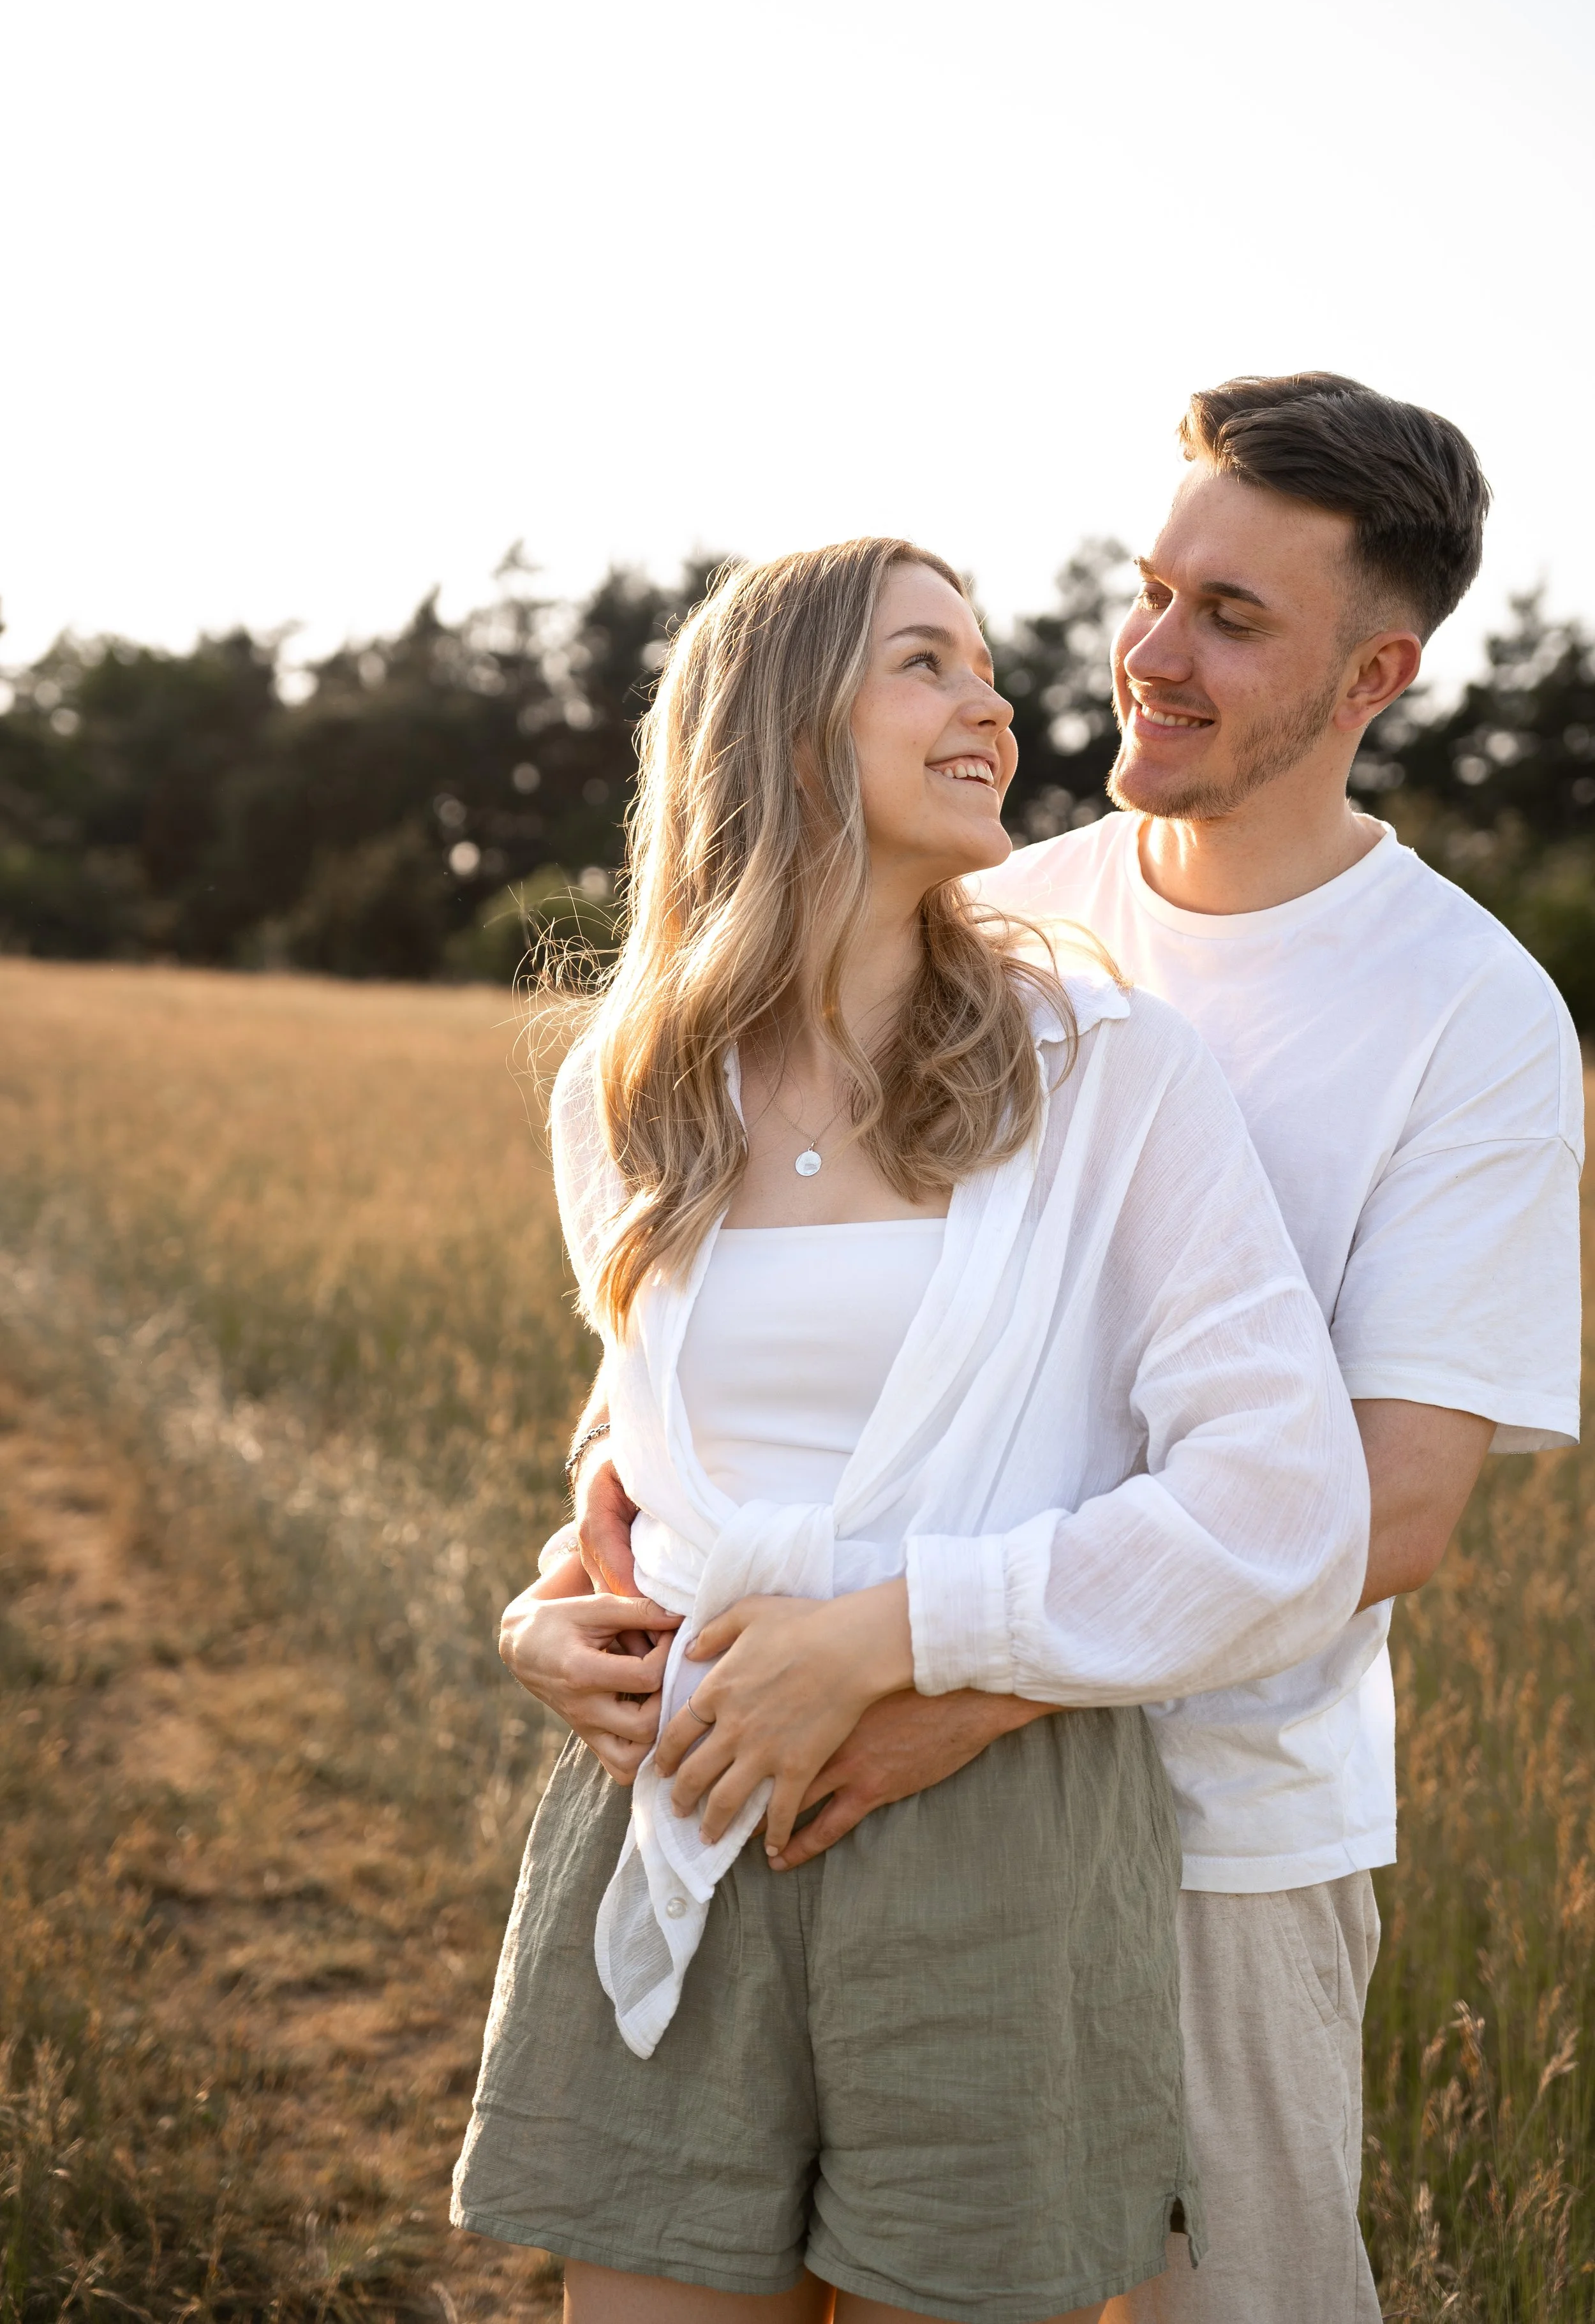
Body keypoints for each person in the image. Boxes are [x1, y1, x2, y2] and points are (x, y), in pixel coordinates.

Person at [547, 378, 1584, 2323]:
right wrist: (573, 1582)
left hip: (1217, 1829)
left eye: (1230, 619)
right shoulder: (999, 921)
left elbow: (1384, 1508)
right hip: (846, 1776)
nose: (1147, 654)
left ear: (1374, 673)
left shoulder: (1469, 1011)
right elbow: (747, 1346)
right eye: (1150, 587)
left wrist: (958, 1685)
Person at [458, 535, 1370, 2324]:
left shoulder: (1104, 1068)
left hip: (990, 1831)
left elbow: (1283, 1503)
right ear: (784, 720)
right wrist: (546, 1608)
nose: (992, 704)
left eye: (986, 666)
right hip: (681, 1795)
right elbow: (656, 1441)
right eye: (925, 663)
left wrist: (891, 1638)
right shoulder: (627, 1088)